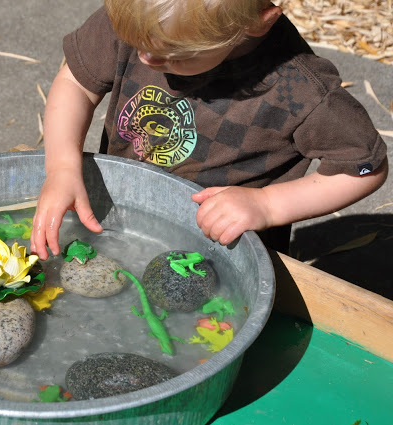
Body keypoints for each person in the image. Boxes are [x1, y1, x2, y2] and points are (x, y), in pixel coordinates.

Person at [30, 0, 388, 259]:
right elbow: (77, 83)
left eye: (174, 54)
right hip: (123, 215)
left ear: (259, 20)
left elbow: (364, 166)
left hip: (220, 251)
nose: (145, 58)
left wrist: (267, 206)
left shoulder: (299, 89)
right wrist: (61, 166)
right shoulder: (142, 17)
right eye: (135, 41)